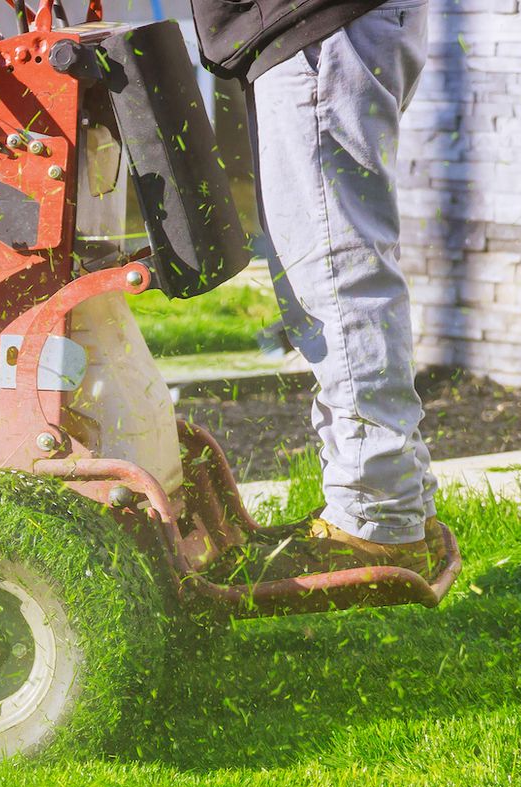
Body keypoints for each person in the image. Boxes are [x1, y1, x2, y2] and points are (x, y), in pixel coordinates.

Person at [195, 0, 446, 579]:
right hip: (316, 26)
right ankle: (398, 503)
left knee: (336, 270)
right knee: (335, 268)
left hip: (316, 27)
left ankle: (376, 517)